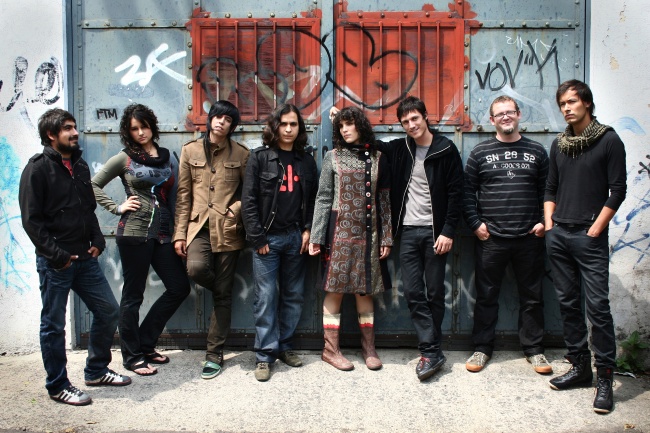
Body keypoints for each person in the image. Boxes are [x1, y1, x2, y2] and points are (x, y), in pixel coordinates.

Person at [19, 108, 131, 406]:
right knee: (54, 325)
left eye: (74, 127)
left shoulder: (79, 166)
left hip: (85, 259)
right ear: (51, 135)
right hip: (56, 263)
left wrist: (98, 241)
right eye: (67, 128)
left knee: (108, 311)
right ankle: (57, 385)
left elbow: (87, 209)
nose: (75, 133)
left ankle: (96, 370)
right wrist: (57, 256)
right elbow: (31, 221)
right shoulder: (37, 169)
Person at [357, 96, 463, 381]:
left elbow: (456, 193)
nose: (411, 125)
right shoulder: (401, 148)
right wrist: (344, 117)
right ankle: (432, 350)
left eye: (415, 118)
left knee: (435, 293)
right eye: (405, 122)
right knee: (414, 292)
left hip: (434, 233)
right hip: (408, 231)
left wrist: (448, 231)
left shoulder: (445, 149)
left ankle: (430, 350)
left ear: (426, 116)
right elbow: (370, 143)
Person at [545, 80, 626, 413]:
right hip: (559, 235)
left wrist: (595, 229)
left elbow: (618, 190)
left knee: (598, 308)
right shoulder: (559, 144)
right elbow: (550, 188)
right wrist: (550, 226)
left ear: (587, 103)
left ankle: (604, 377)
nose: (566, 108)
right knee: (568, 304)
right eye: (562, 103)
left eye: (572, 102)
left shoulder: (609, 140)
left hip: (588, 238)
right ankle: (580, 368)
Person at [91, 103, 191, 376]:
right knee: (133, 296)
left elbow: (177, 197)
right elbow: (93, 185)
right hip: (134, 233)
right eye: (134, 129)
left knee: (179, 287)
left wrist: (179, 232)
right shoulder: (124, 158)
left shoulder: (168, 157)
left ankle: (145, 343)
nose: (140, 132)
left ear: (152, 126)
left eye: (144, 126)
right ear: (129, 132)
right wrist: (116, 207)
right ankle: (132, 356)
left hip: (163, 234)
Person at [463, 95, 551, 374]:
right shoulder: (479, 153)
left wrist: (543, 222)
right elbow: (467, 192)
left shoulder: (537, 151)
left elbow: (548, 190)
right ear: (492, 120)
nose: (505, 117)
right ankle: (482, 348)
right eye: (499, 114)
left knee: (532, 297)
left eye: (509, 112)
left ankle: (535, 350)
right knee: (486, 296)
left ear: (518, 114)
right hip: (491, 239)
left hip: (529, 238)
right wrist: (475, 224)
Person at [309, 106, 392, 372]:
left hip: (369, 234)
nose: (345, 130)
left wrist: (386, 237)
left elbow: (384, 199)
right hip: (338, 234)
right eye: (341, 126)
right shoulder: (332, 157)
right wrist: (316, 236)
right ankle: (330, 350)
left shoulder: (378, 157)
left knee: (364, 289)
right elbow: (323, 198)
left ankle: (369, 348)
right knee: (334, 289)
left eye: (349, 124)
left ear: (360, 126)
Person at [173, 100, 250, 380]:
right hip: (198, 228)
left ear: (232, 126)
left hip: (228, 229)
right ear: (210, 119)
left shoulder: (241, 154)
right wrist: (179, 233)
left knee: (223, 297)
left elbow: (249, 193)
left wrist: (235, 209)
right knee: (196, 270)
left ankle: (214, 353)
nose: (221, 122)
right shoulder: (190, 150)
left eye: (227, 120)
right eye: (217, 117)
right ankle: (221, 290)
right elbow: (183, 195)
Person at [241, 104, 318, 381]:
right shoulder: (260, 158)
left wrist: (308, 230)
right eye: (283, 124)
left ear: (299, 128)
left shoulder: (306, 161)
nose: (288, 129)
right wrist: (258, 237)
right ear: (275, 127)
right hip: (268, 239)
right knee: (266, 297)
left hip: (296, 237)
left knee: (293, 294)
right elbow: (248, 201)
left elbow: (314, 200)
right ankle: (264, 355)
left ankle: (285, 346)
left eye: (293, 124)